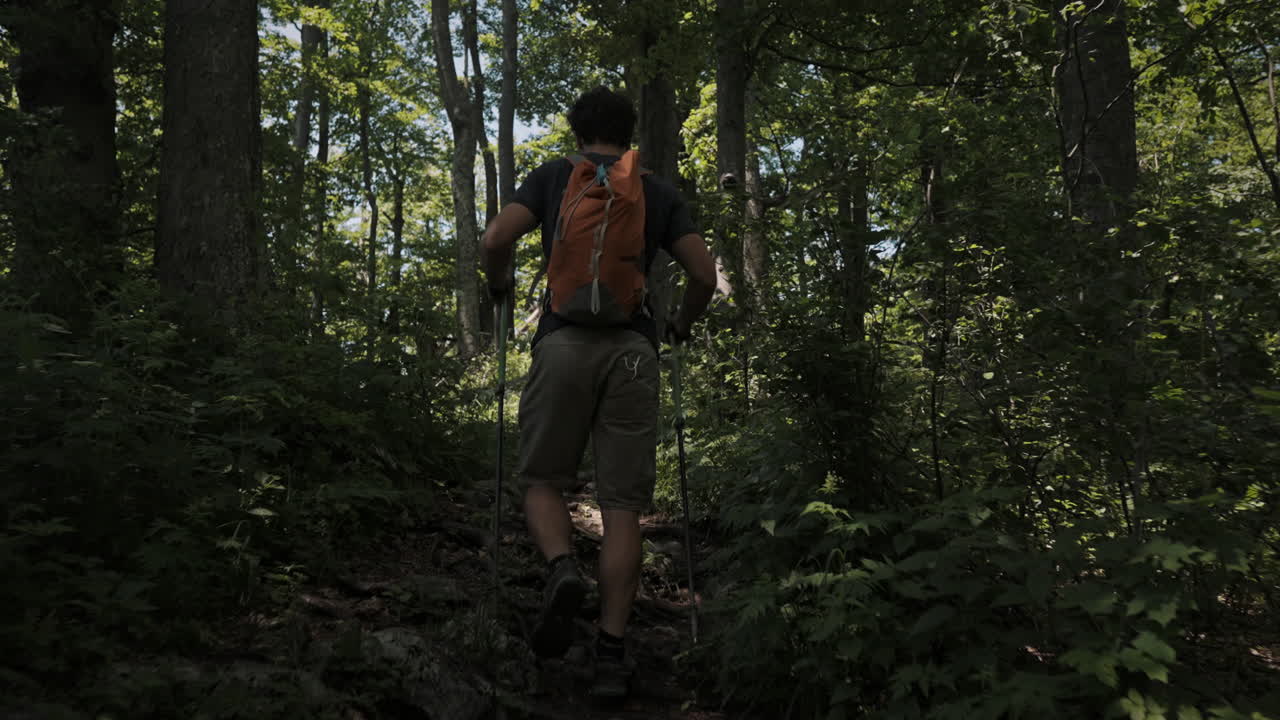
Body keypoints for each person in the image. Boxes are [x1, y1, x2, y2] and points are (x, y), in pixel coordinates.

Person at [481, 85, 716, 699]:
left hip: (561, 344)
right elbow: (704, 274)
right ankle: (612, 654)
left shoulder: (557, 178)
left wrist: (501, 287)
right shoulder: (655, 191)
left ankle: (562, 568)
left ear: (578, 130)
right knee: (622, 509)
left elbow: (494, 241)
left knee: (541, 480)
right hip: (633, 352)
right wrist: (681, 323)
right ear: (629, 132)